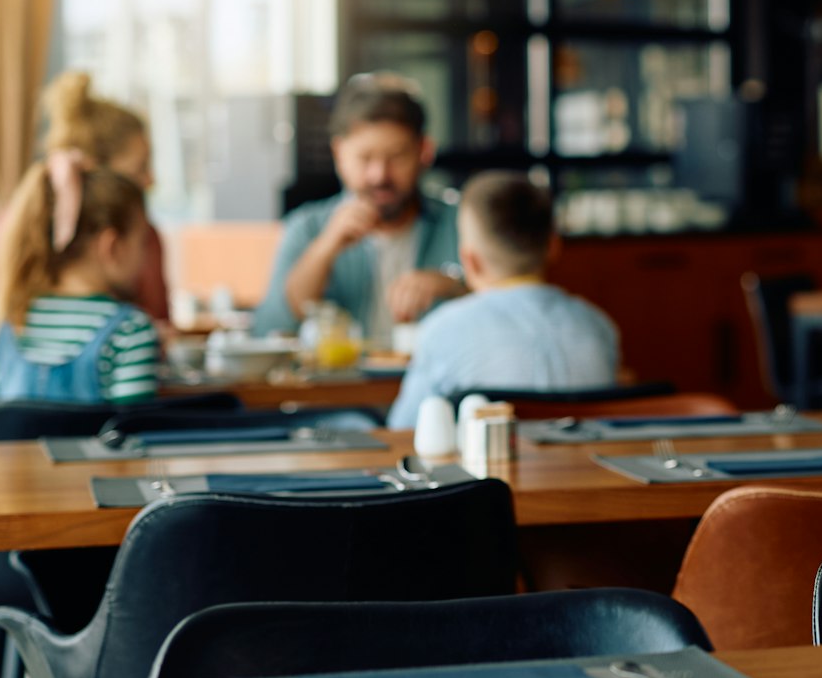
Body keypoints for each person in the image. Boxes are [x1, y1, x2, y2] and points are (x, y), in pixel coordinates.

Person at [0, 156, 159, 440]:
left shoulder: (1, 322)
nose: (146, 256)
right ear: (112, 246)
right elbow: (134, 442)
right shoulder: (131, 331)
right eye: (142, 241)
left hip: (5, 485)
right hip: (88, 486)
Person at [386, 172, 617, 428]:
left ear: (469, 260)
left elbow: (404, 431)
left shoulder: (442, 330)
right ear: (553, 247)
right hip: (586, 467)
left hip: (490, 465)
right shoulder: (599, 326)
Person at [251, 74, 465, 342]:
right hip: (342, 385)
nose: (379, 175)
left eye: (396, 156)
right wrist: (326, 248)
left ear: (424, 151)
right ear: (339, 154)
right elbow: (270, 329)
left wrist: (453, 286)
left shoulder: (464, 223)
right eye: (365, 158)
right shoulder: (307, 227)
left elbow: (518, 307)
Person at [37, 71, 170, 322]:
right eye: (140, 167)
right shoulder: (142, 240)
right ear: (96, 173)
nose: (151, 180)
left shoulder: (146, 237)